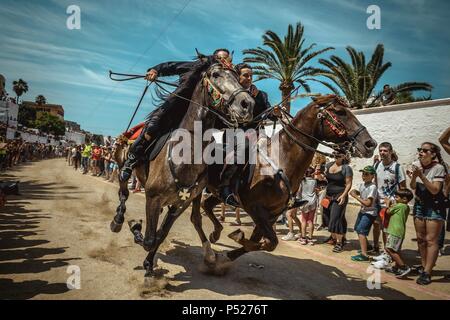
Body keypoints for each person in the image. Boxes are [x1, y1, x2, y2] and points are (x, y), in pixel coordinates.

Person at [119, 49, 232, 182]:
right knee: (153, 126)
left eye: (226, 59)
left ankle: (214, 180)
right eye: (220, 58)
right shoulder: (196, 66)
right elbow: (171, 66)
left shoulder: (227, 77)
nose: (223, 61)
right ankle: (131, 160)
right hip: (177, 106)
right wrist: (156, 70)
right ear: (213, 58)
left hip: (206, 114)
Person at [218, 62, 280, 207]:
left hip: (255, 133)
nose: (249, 78)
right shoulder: (230, 92)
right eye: (246, 75)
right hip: (233, 132)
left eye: (251, 76)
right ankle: (225, 186)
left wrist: (275, 113)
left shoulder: (261, 95)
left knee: (277, 148)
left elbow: (269, 113)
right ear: (237, 77)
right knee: (244, 144)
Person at [409, 142, 448, 285]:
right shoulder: (416, 164)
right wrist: (414, 176)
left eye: (425, 150)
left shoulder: (438, 168)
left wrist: (422, 176)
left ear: (433, 154)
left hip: (434, 206)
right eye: (420, 149)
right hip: (419, 204)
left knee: (431, 240)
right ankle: (425, 266)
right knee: (420, 238)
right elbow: (413, 186)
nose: (421, 152)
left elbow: (435, 190)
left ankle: (427, 272)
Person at [372, 142, 406, 265]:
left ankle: (390, 255)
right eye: (381, 150)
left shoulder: (397, 167)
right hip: (379, 203)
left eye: (385, 150)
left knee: (390, 231)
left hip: (392, 205)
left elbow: (403, 188)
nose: (382, 153)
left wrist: (396, 202)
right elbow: (375, 183)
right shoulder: (377, 165)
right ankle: (386, 253)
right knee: (383, 229)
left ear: (391, 152)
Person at [322, 151, 353, 253]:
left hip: (340, 196)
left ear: (344, 156)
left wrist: (343, 195)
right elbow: (327, 180)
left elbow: (348, 184)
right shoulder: (329, 165)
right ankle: (334, 237)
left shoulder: (346, 168)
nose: (336, 155)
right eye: (335, 153)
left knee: (336, 218)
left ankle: (339, 243)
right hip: (328, 196)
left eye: (339, 154)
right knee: (328, 217)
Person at [382, 189, 414, 278]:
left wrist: (387, 204)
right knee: (396, 250)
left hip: (394, 231)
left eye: (397, 197)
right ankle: (396, 267)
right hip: (399, 232)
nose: (395, 198)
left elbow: (388, 212)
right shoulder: (405, 207)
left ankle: (403, 267)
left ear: (404, 199)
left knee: (389, 249)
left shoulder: (400, 206)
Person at [350, 165, 378, 261]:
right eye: (363, 174)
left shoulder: (373, 187)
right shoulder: (363, 185)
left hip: (369, 212)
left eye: (366, 174)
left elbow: (368, 203)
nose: (364, 176)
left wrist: (356, 197)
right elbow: (357, 191)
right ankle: (367, 247)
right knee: (358, 229)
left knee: (361, 231)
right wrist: (354, 191)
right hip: (363, 211)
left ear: (372, 176)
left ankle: (364, 255)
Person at [298, 167, 318, 245]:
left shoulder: (302, 181)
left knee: (304, 220)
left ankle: (303, 238)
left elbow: (299, 192)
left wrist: (298, 200)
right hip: (312, 201)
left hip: (304, 201)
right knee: (310, 221)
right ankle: (310, 238)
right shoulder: (314, 181)